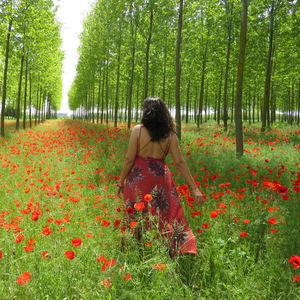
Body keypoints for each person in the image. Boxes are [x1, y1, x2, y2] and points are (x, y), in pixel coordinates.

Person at [117, 97, 205, 257]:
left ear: (146, 112)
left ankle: (134, 251)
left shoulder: (138, 130)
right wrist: (194, 188)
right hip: (160, 179)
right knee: (162, 216)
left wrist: (121, 181)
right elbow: (179, 162)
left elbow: (129, 158)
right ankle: (166, 250)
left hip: (138, 179)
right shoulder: (170, 135)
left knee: (135, 214)